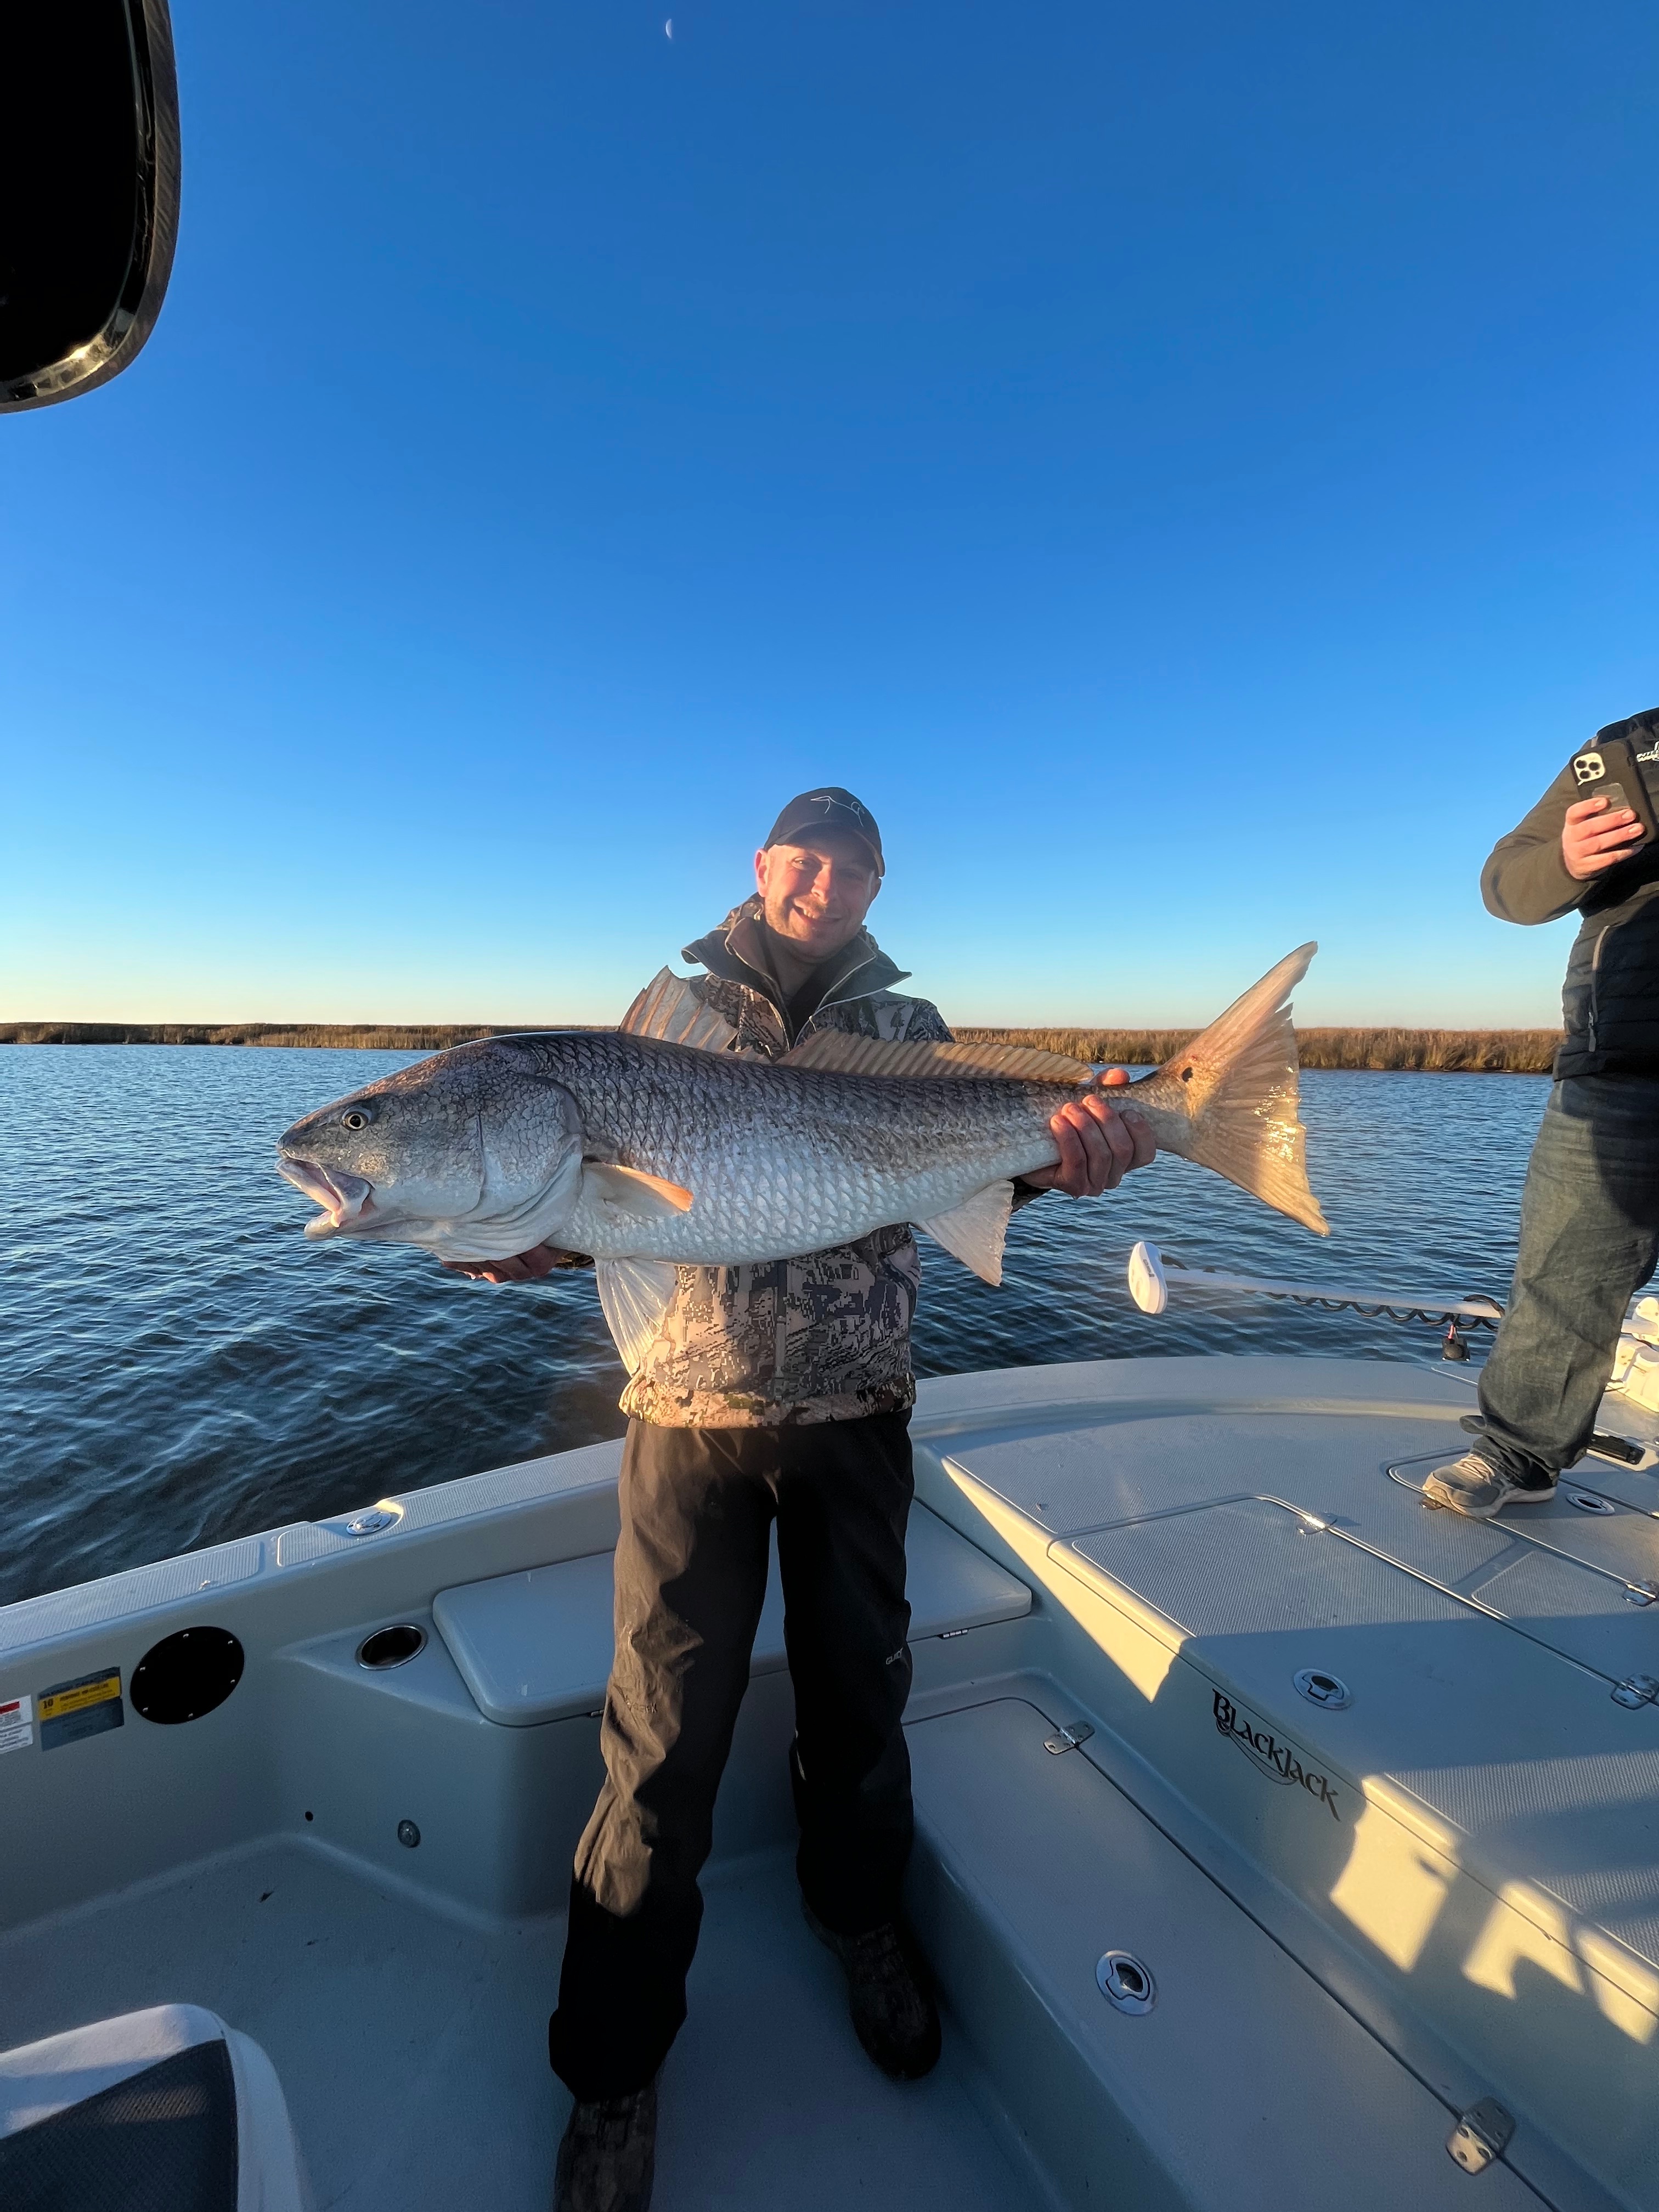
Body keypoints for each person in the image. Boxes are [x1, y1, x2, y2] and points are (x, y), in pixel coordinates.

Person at [447, 788, 1154, 2212]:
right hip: (689, 1428)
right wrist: (501, 1235)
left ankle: (861, 1924)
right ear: (761, 869)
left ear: (879, 885)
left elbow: (966, 1182)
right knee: (658, 1747)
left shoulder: (912, 1034)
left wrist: (1078, 1157)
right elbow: (577, 1198)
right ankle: (613, 2071)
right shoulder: (659, 1025)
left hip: (859, 1421)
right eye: (805, 857)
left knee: (859, 1705)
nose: (829, 879)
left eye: (857, 864)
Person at [1425, 709, 1659, 1521]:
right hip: (1616, 1061)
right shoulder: (1627, 749)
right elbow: (1505, 882)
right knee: (1564, 1277)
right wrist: (1563, 861)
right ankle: (1519, 1456)